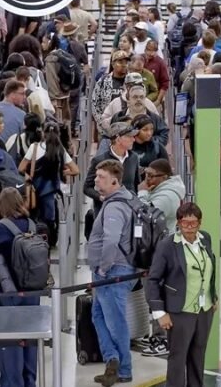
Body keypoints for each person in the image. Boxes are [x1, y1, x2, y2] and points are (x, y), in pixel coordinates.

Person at [146, 202, 217, 387]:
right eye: (185, 223)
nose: (189, 227)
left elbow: (209, 268)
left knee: (198, 354)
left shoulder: (206, 239)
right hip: (179, 311)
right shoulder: (168, 245)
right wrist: (159, 313)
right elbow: (153, 279)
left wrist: (212, 295)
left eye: (193, 223)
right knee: (178, 356)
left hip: (204, 310)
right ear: (178, 223)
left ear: (200, 223)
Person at [87, 160, 138, 386]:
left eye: (101, 177)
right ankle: (112, 359)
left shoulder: (115, 207)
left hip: (113, 271)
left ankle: (124, 369)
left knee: (116, 321)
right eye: (96, 176)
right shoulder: (125, 199)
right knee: (98, 315)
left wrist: (103, 268)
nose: (96, 180)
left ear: (115, 180)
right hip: (115, 269)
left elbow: (111, 241)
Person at [0, 188, 39, 387]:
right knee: (30, 340)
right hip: (33, 293)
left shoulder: (0, 228)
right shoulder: (32, 225)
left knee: (9, 343)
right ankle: (29, 381)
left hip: (8, 295)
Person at [138, 159, 185, 233]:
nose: (147, 179)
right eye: (146, 174)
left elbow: (146, 216)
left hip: (161, 242)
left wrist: (142, 192)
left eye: (150, 175)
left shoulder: (168, 197)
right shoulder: (157, 189)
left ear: (164, 177)